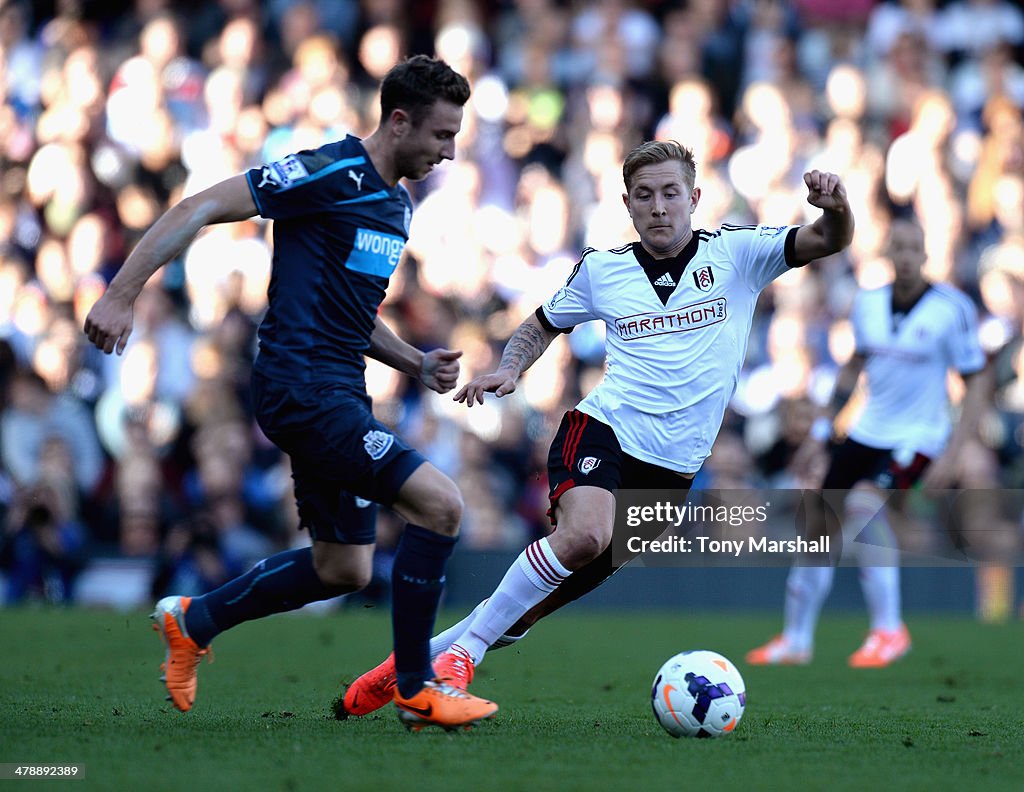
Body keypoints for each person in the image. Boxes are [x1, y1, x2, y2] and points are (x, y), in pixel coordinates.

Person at [339, 139, 854, 717]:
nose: (659, 206)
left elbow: (828, 239)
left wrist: (834, 207)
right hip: (601, 430)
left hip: (672, 473)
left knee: (526, 611)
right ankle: (464, 657)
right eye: (644, 196)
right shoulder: (604, 269)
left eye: (670, 193)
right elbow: (540, 324)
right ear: (628, 206)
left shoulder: (740, 253)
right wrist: (510, 367)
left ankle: (406, 666)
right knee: (584, 535)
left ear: (694, 198)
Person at [83, 55, 498, 731]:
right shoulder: (332, 172)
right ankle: (418, 687)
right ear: (398, 121)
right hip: (301, 387)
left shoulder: (395, 205)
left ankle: (196, 620)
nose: (448, 153)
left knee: (344, 569)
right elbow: (202, 205)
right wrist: (121, 293)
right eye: (441, 136)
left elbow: (353, 314)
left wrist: (414, 362)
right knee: (441, 505)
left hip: (342, 390)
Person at [746, 217, 989, 668]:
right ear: (888, 253)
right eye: (897, 246)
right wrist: (822, 433)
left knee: (862, 504)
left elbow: (975, 380)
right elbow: (852, 370)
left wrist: (954, 452)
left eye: (913, 246)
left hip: (918, 434)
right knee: (819, 526)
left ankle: (889, 630)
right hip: (867, 429)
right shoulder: (869, 304)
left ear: (926, 253)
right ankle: (796, 640)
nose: (905, 255)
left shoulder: (950, 309)